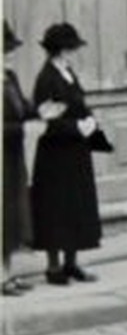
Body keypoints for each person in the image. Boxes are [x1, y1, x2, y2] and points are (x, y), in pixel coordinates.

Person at [30, 22, 105, 286]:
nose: (74, 52)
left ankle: (71, 263)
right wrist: (76, 126)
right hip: (55, 154)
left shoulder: (67, 72)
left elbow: (77, 104)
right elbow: (44, 117)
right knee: (55, 208)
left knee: (75, 206)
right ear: (61, 50)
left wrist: (90, 121)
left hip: (75, 151)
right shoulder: (47, 77)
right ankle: (53, 267)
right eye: (71, 48)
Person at [3, 22, 54, 296]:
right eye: (4, 51)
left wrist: (39, 111)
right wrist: (23, 128)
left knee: (12, 219)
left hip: (11, 159)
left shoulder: (9, 78)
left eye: (9, 50)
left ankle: (7, 274)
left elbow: (22, 107)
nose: (9, 55)